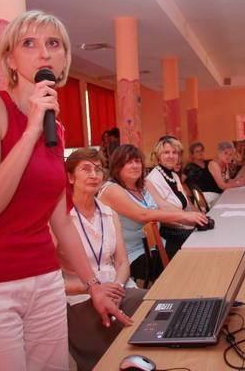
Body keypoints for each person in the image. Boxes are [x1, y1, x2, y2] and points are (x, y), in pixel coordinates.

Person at [0, 10, 128, 371]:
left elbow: (61, 220)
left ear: (63, 59)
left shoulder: (56, 129)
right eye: (29, 43)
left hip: (45, 281)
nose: (44, 53)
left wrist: (93, 285)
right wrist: (30, 130)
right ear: (11, 59)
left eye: (53, 44)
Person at [63, 148, 146, 371]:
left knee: (154, 306)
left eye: (98, 169)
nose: (94, 175)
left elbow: (122, 262)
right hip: (80, 297)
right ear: (70, 177)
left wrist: (117, 286)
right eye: (86, 169)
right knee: (108, 351)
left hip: (119, 289)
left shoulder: (109, 213)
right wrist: (93, 289)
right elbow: (51, 280)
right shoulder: (60, 218)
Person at [98, 144, 207, 270]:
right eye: (128, 162)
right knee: (187, 263)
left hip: (157, 245)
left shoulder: (144, 183)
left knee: (195, 246)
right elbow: (143, 215)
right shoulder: (111, 189)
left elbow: (163, 205)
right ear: (117, 166)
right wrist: (184, 217)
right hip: (130, 256)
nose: (135, 166)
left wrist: (193, 218)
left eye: (137, 161)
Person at [146, 136, 205, 257]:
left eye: (174, 152)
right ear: (158, 156)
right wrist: (190, 223)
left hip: (183, 227)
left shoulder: (174, 175)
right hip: (170, 234)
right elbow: (162, 213)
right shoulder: (153, 179)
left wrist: (201, 216)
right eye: (166, 152)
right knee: (204, 244)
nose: (171, 156)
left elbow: (187, 205)